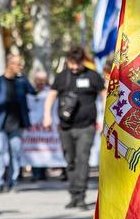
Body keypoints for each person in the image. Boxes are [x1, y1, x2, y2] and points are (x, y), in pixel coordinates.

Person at [44, 47, 104, 209]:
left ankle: (81, 195)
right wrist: (47, 115)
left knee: (82, 159)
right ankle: (73, 194)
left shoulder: (93, 76)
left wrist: (106, 115)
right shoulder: (62, 77)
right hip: (66, 127)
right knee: (70, 160)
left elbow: (104, 94)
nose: (75, 67)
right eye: (72, 64)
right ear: (68, 61)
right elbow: (51, 95)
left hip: (87, 126)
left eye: (78, 64)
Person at [0, 52, 36, 193]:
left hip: (17, 123)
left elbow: (33, 93)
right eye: (18, 64)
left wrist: (24, 77)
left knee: (16, 152)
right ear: (9, 64)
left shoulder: (22, 82)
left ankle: (13, 181)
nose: (20, 66)